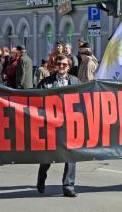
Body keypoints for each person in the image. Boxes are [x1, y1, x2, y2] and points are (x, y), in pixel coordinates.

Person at [36, 54, 80, 197]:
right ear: (55, 66)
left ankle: (68, 186)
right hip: (51, 125)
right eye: (59, 64)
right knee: (48, 157)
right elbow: (35, 100)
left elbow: (83, 100)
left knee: (71, 156)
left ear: (69, 66)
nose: (61, 67)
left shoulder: (75, 81)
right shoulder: (46, 82)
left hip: (69, 125)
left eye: (64, 64)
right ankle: (41, 178)